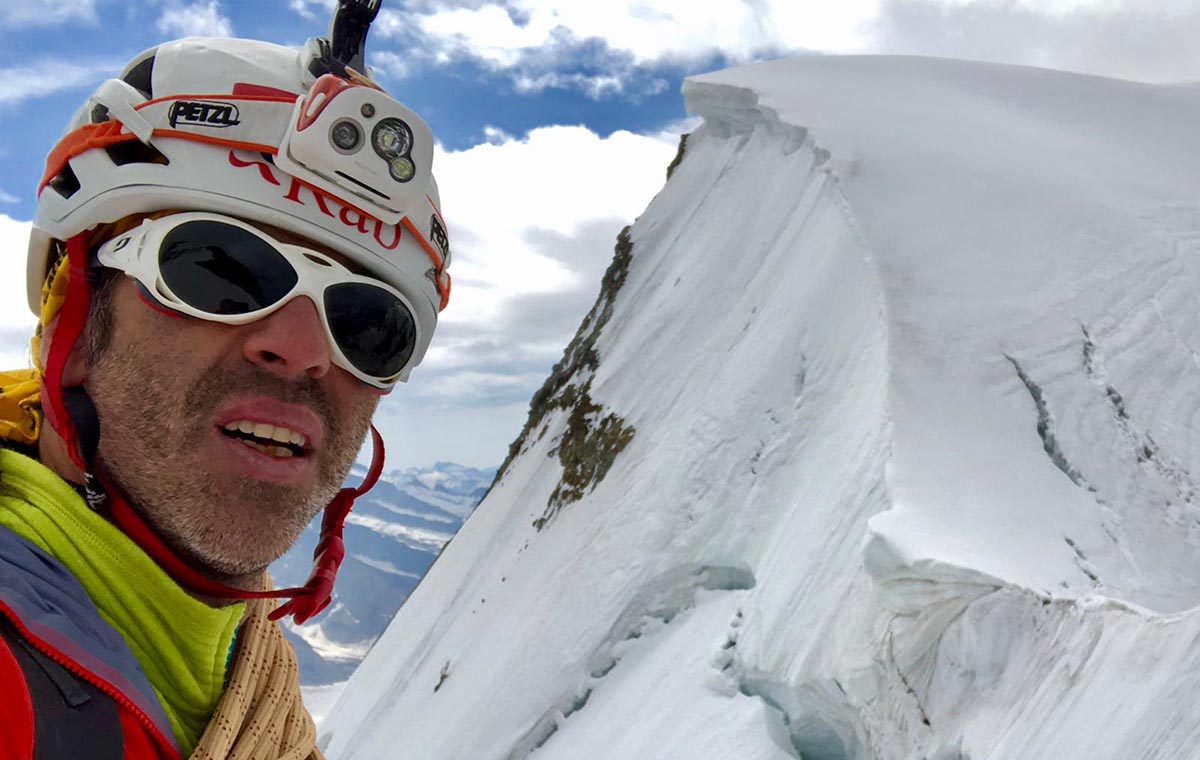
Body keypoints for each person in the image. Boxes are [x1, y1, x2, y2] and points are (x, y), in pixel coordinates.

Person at [0, 3, 451, 758]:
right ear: (70, 323)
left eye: (368, 324)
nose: (306, 349)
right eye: (220, 269)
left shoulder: (237, 681)